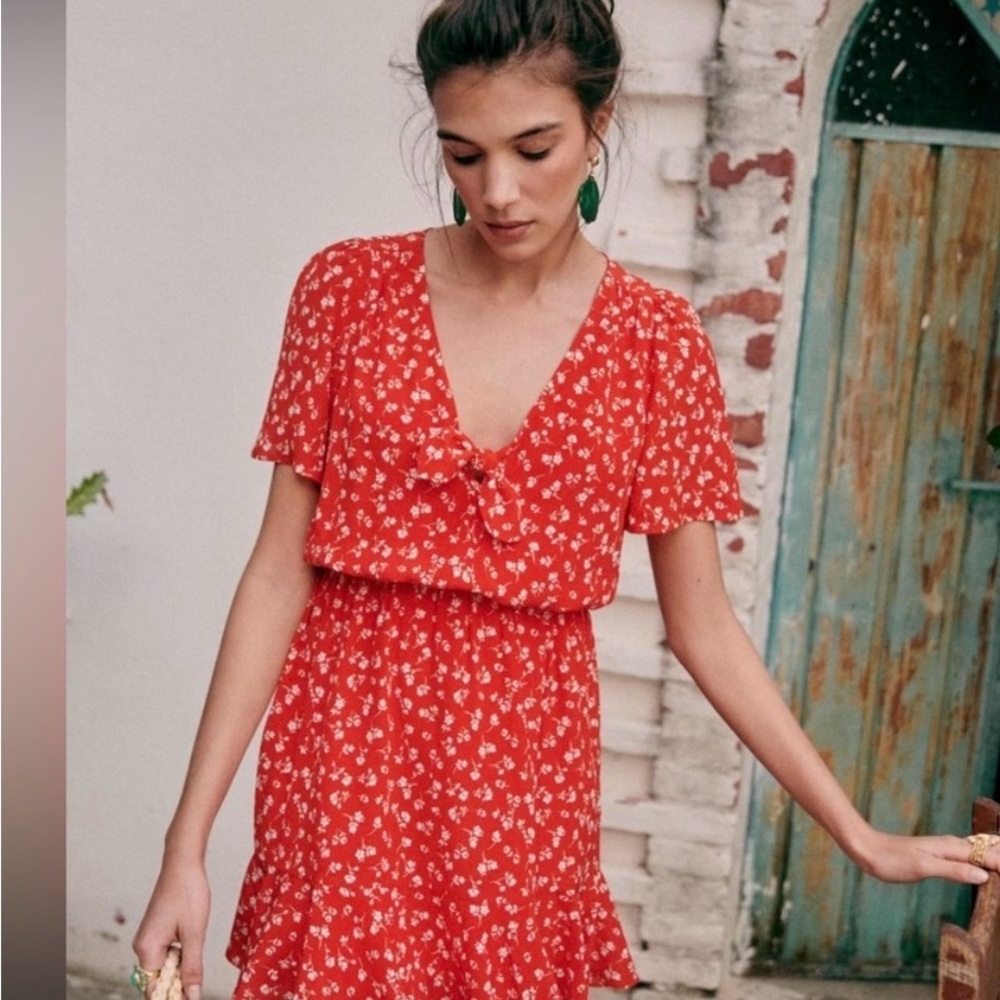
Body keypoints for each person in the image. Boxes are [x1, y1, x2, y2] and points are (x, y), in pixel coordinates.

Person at [130, 1, 1000, 997]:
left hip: (522, 781)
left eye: (533, 148)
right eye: (462, 156)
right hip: (348, 756)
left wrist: (858, 833)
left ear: (600, 121)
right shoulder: (344, 292)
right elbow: (276, 575)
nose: (497, 192)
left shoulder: (654, 346)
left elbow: (704, 626)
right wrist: (184, 848)